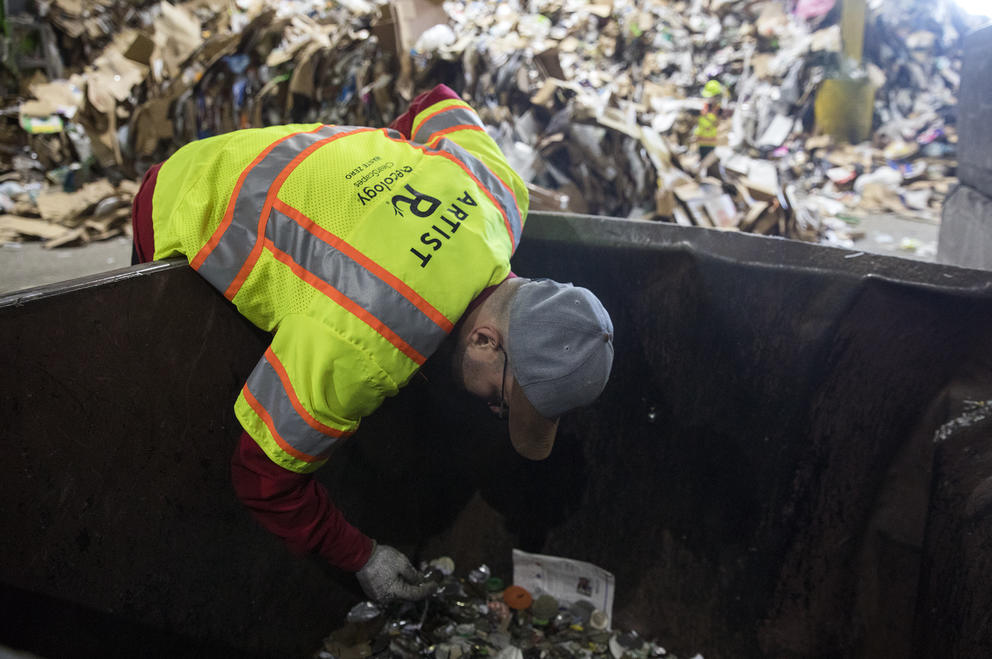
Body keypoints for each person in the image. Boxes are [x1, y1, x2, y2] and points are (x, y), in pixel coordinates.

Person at [130, 84, 614, 603]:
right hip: (184, 199)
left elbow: (437, 102)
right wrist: (362, 556)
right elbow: (260, 478)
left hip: (259, 155)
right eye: (504, 398)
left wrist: (385, 170)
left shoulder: (500, 194)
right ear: (484, 340)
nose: (496, 410)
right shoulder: (365, 342)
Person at [695, 79, 726, 165]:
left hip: (713, 144)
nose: (709, 99)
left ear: (717, 96)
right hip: (701, 142)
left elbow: (720, 125)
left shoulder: (719, 111)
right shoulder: (703, 107)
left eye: (711, 97)